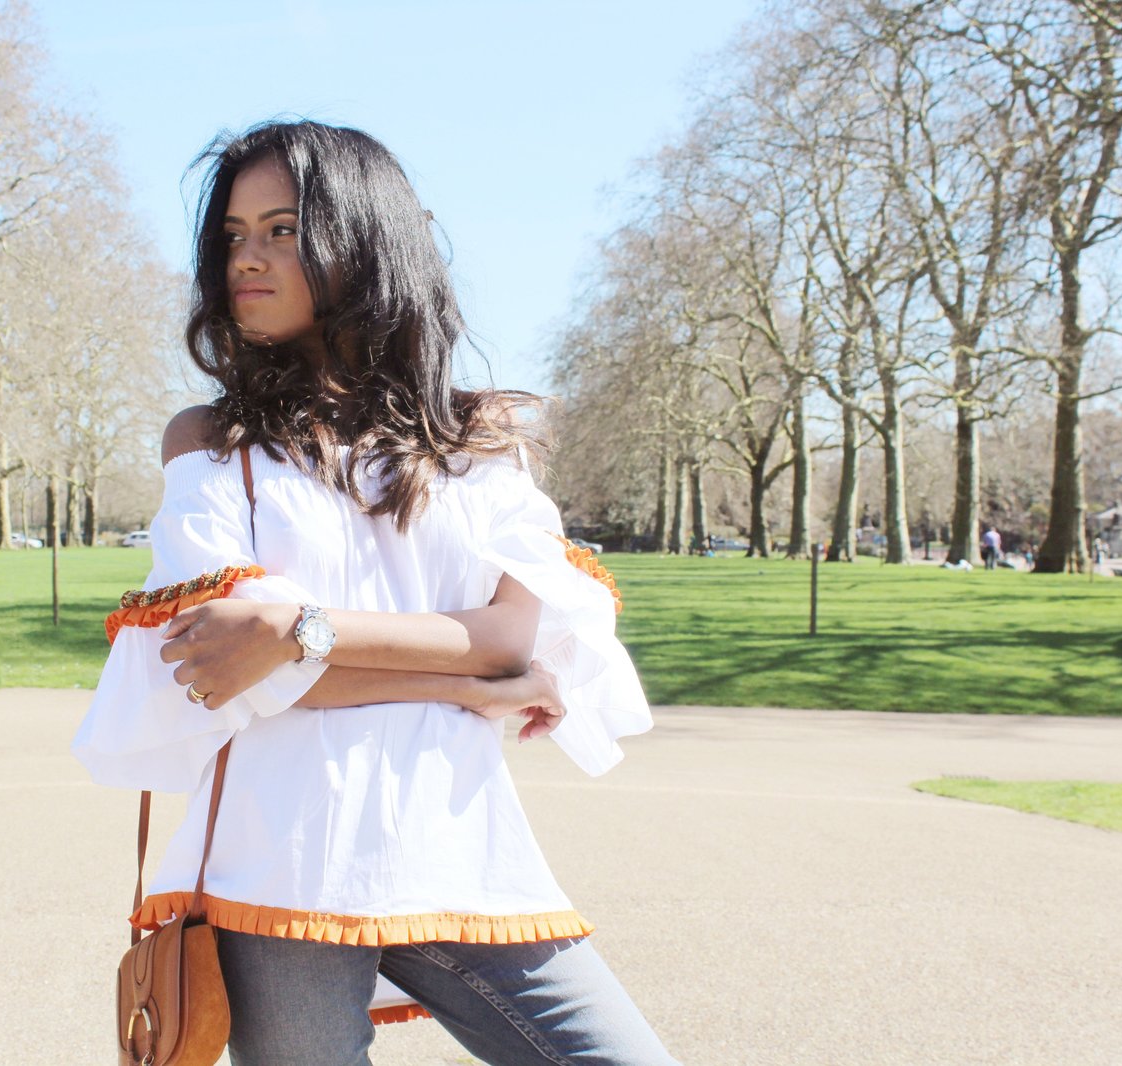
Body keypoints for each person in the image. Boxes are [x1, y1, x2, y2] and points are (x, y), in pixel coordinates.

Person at [72, 121, 678, 1066]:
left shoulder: (482, 438)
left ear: (363, 240)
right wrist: (459, 682)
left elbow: (514, 638)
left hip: (456, 849)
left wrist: (299, 628)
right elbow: (225, 668)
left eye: (281, 229)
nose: (248, 259)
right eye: (233, 235)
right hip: (281, 862)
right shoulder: (213, 443)